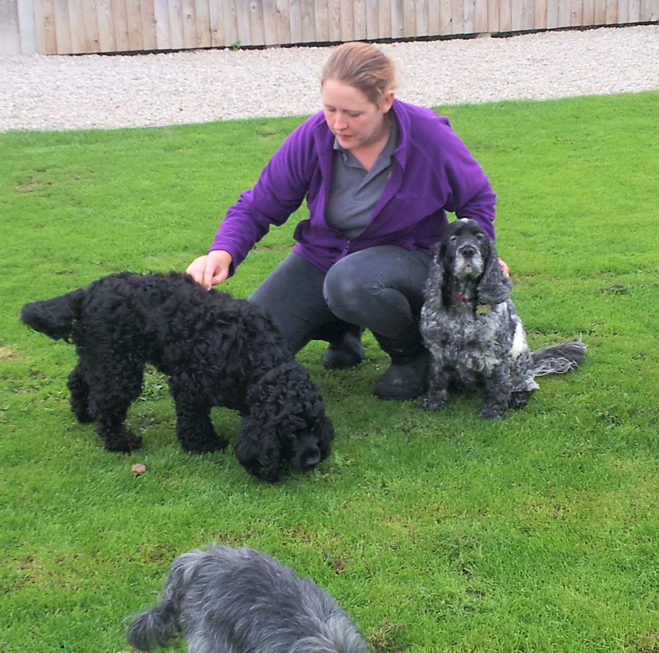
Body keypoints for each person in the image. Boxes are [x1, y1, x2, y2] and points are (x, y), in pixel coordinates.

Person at [186, 42, 497, 401]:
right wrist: (222, 252)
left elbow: (477, 200)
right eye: (329, 108)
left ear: (385, 102)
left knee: (350, 282)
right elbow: (258, 206)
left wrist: (481, 256)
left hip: (410, 260)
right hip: (323, 260)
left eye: (352, 113)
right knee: (239, 357)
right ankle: (341, 328)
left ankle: (414, 354)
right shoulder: (314, 136)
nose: (337, 123)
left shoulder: (429, 136)